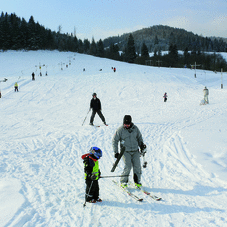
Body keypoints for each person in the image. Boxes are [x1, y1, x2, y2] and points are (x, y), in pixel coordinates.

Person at [112, 115, 146, 188]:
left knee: (137, 166)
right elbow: (114, 141)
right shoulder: (120, 130)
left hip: (135, 151)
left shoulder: (135, 128)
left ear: (130, 123)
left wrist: (141, 145)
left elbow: (139, 138)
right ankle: (123, 181)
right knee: (128, 166)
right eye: (125, 124)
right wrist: (116, 152)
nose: (126, 125)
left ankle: (137, 181)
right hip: (125, 151)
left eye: (128, 124)